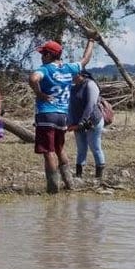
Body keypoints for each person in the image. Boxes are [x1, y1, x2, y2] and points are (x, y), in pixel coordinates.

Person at [29, 37, 95, 193]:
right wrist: (91, 41)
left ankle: (53, 188)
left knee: (48, 151)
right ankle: (69, 183)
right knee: (60, 148)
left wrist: (39, 93)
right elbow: (85, 60)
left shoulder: (46, 69)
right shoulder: (69, 68)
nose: (41, 56)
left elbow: (33, 78)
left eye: (43, 53)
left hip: (46, 114)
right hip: (62, 115)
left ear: (50, 55)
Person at [69, 69, 106, 181]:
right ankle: (79, 175)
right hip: (77, 123)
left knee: (95, 147)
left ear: (80, 74)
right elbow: (70, 106)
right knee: (81, 149)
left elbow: (90, 105)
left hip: (93, 121)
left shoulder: (90, 84)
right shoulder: (73, 87)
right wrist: (70, 122)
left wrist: (82, 122)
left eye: (72, 75)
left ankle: (99, 177)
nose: (70, 77)